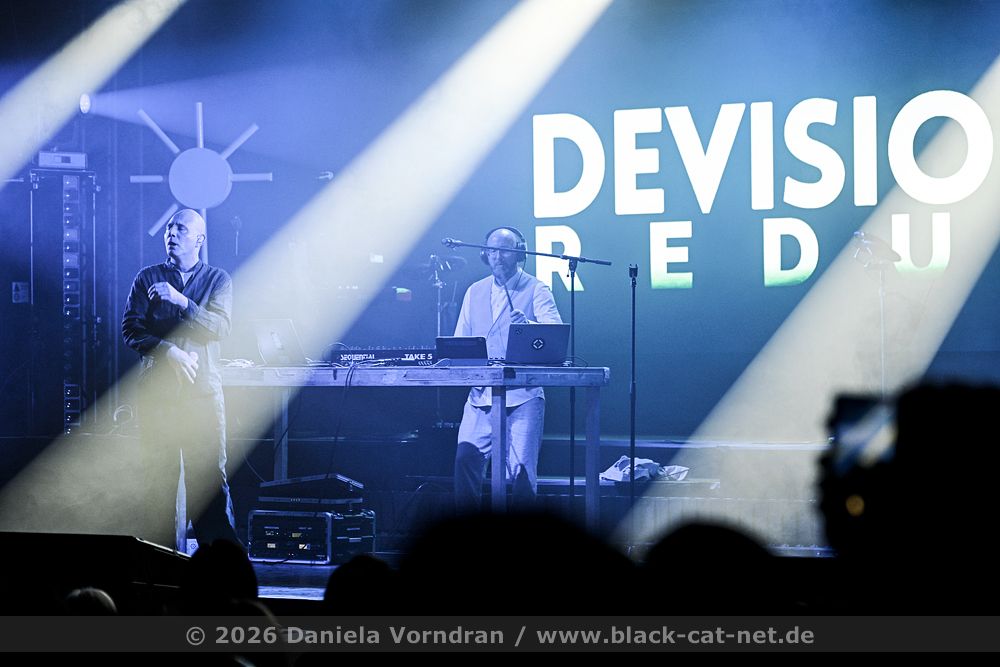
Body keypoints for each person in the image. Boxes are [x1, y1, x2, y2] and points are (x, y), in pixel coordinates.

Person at [122, 208, 240, 550]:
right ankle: (159, 562)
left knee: (208, 482)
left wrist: (182, 301)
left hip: (202, 397)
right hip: (158, 397)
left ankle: (218, 565)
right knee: (158, 481)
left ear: (199, 239)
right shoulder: (147, 278)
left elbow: (220, 328)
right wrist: (168, 351)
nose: (171, 233)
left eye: (181, 229)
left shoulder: (217, 279)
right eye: (169, 228)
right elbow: (131, 329)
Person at [453, 226, 562, 510]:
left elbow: (555, 334)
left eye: (504, 250)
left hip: (522, 395)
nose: (497, 256)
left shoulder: (536, 288)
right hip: (481, 395)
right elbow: (461, 340)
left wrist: (530, 326)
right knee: (466, 460)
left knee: (521, 472)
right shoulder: (474, 291)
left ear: (520, 253)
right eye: (492, 250)